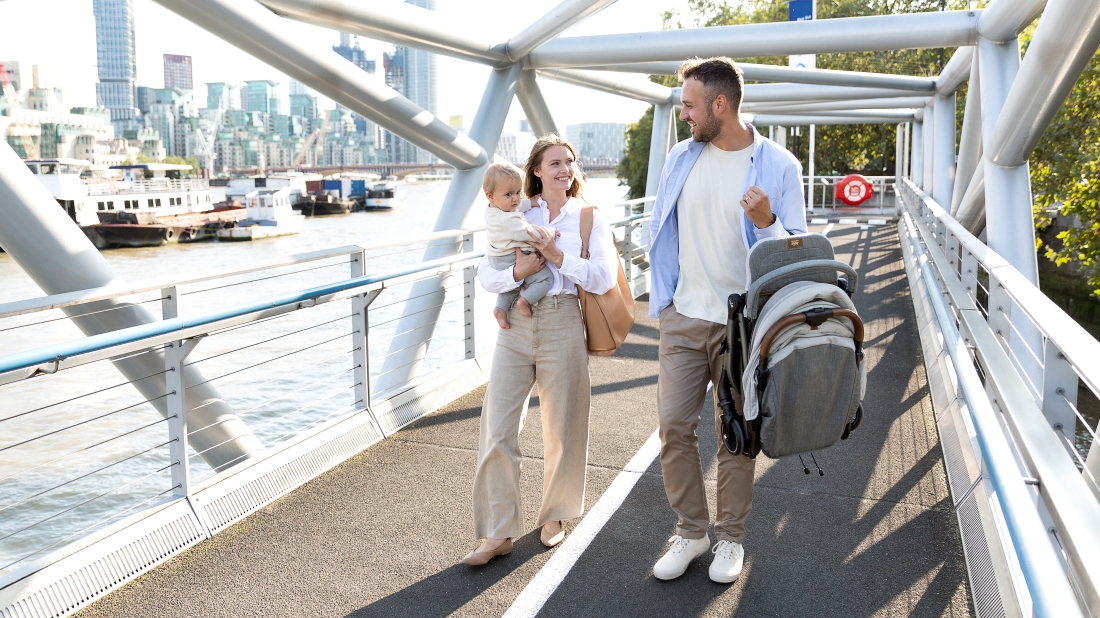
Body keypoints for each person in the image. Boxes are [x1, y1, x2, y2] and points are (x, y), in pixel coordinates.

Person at [648, 57, 807, 583]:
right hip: (683, 317)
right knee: (673, 427)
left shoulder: (779, 165)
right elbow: (661, 227)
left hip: (743, 325)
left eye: (690, 104)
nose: (684, 114)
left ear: (721, 105)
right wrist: (665, 302)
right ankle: (691, 531)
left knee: (736, 433)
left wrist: (769, 222)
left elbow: (798, 252)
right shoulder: (680, 158)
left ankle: (730, 539)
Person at [461, 134, 619, 566]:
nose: (564, 169)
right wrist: (520, 270)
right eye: (554, 163)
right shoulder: (516, 210)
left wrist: (557, 256)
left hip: (563, 319)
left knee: (563, 426)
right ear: (536, 170)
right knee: (497, 427)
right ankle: (497, 532)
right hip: (515, 324)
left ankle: (555, 516)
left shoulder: (586, 218)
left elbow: (604, 278)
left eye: (569, 162)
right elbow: (487, 275)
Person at [481, 162, 557, 330]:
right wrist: (549, 232)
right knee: (545, 278)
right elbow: (528, 233)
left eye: (518, 192)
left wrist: (529, 203)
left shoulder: (495, 208)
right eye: (509, 194)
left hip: (498, 257)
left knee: (512, 285)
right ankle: (525, 301)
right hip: (510, 257)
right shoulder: (509, 221)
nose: (515, 198)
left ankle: (500, 309)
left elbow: (515, 205)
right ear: (490, 196)